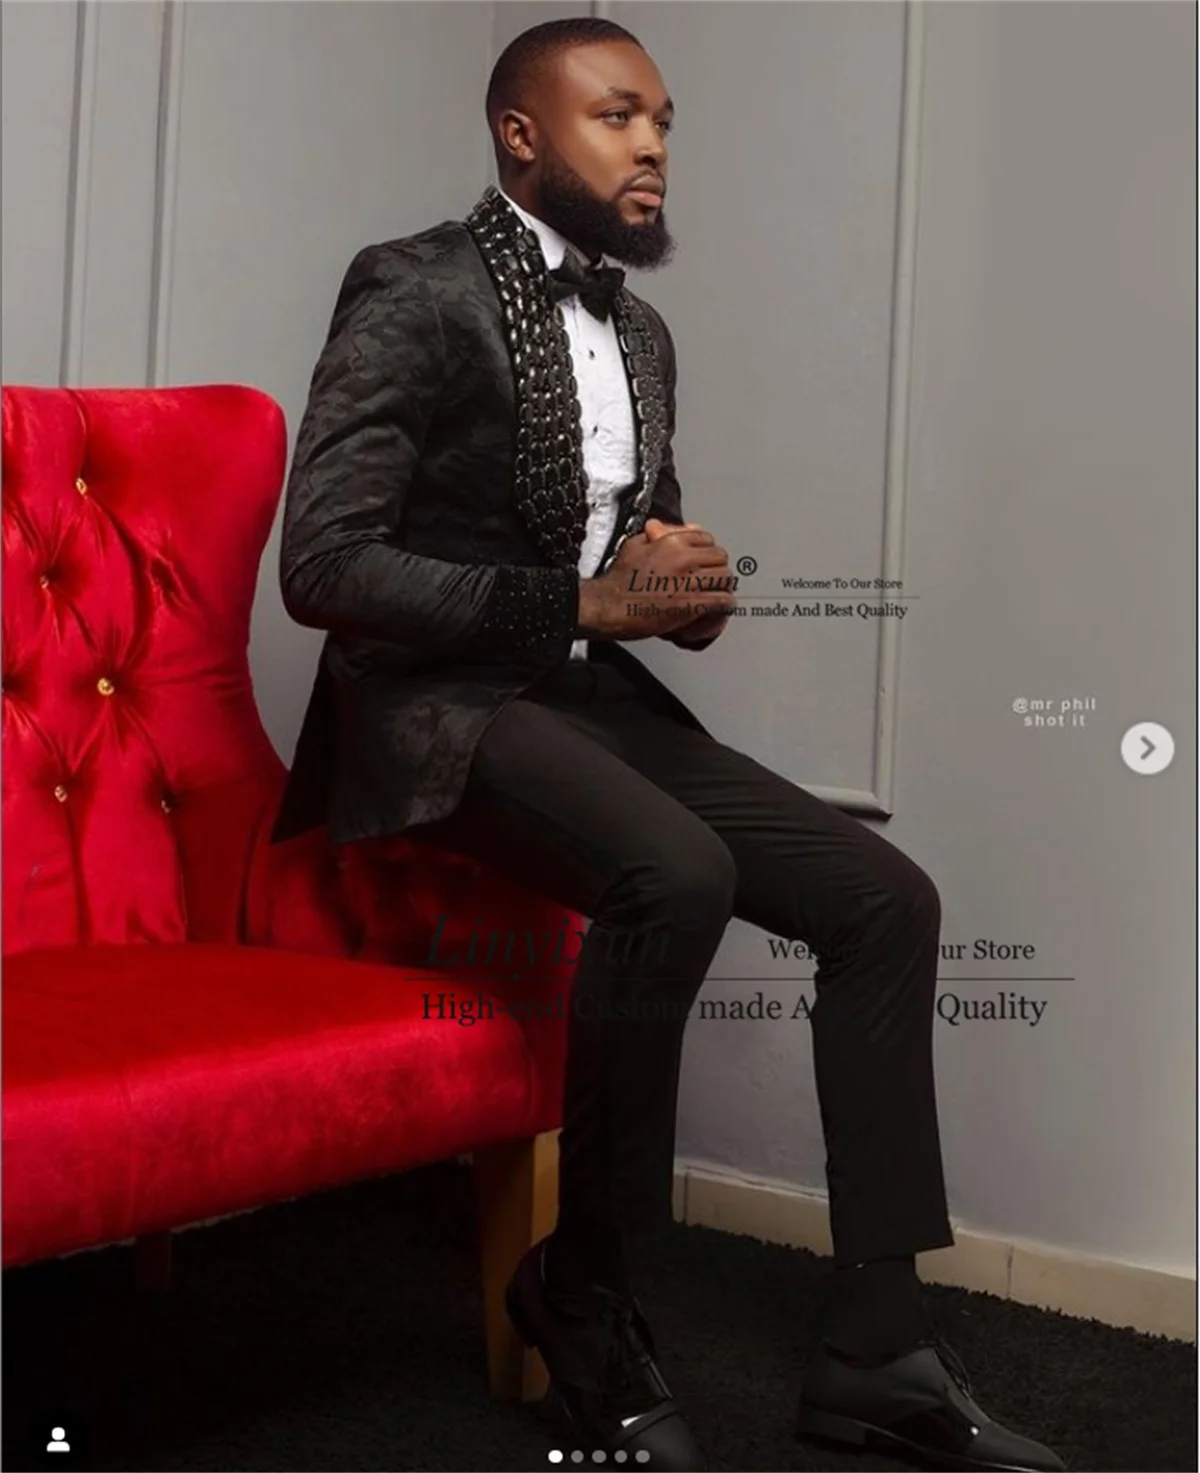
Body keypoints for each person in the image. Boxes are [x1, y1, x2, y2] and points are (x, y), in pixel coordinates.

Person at [271, 16, 1068, 1473]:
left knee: (885, 900)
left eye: (664, 123)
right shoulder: (414, 285)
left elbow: (632, 557)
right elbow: (323, 566)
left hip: (584, 698)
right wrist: (582, 601)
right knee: (677, 873)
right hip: (433, 712)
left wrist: (681, 595)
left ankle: (878, 1349)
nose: (652, 148)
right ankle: (587, 1299)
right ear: (521, 134)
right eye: (617, 117)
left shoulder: (641, 333)